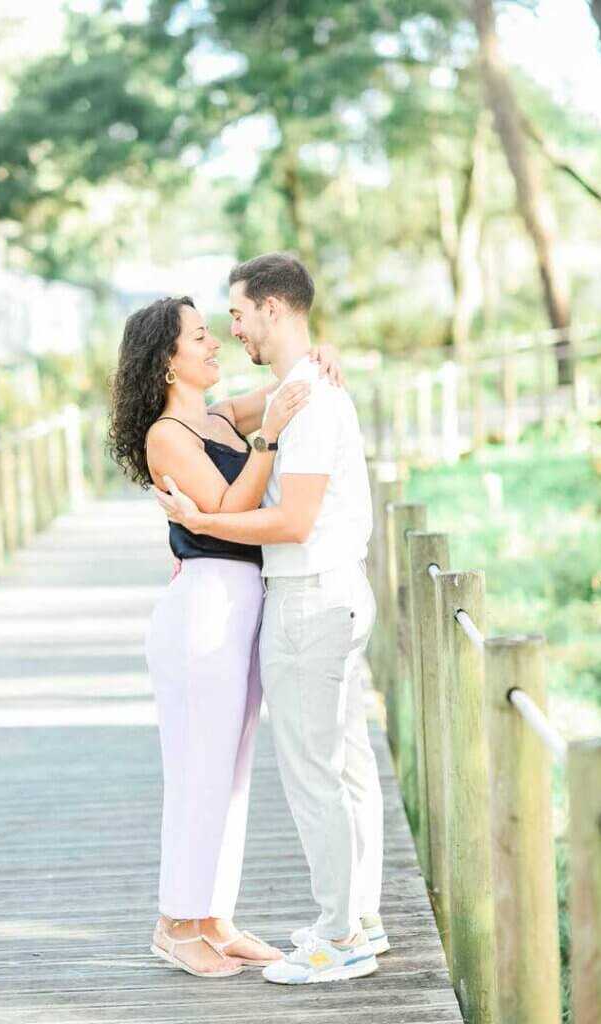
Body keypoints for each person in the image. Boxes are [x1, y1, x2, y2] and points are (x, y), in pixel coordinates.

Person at [154, 252, 388, 986]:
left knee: (318, 773)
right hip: (287, 598)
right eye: (207, 329)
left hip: (308, 595)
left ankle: (339, 932)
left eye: (235, 315)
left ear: (273, 310)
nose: (227, 332)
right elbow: (256, 447)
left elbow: (290, 519)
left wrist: (201, 521)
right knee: (332, 768)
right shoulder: (279, 397)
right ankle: (350, 921)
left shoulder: (302, 397)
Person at [107, 294, 344, 978]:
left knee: (231, 772)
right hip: (203, 611)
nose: (214, 345)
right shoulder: (166, 436)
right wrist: (266, 441)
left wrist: (322, 358)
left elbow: (285, 387)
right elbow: (224, 512)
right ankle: (174, 924)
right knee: (197, 769)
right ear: (166, 359)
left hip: (241, 606)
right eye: (200, 337)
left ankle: (212, 915)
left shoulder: (212, 416)